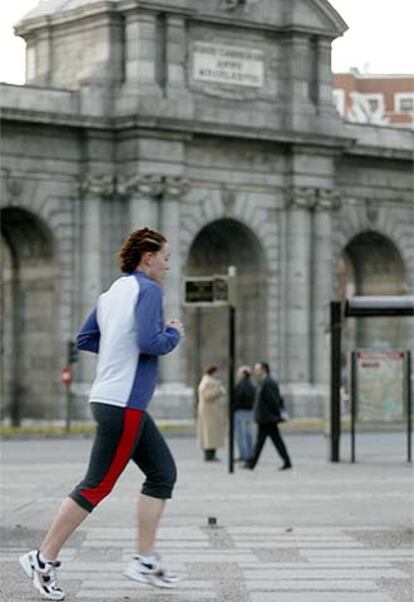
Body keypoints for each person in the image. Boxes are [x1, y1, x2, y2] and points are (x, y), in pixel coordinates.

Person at [19, 227, 185, 600]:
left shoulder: (111, 293)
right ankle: (42, 559)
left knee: (162, 473)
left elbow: (85, 339)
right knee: (97, 485)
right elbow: (149, 341)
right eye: (166, 256)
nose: (168, 264)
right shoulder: (149, 291)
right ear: (148, 257)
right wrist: (173, 333)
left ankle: (144, 559)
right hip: (123, 402)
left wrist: (116, 347)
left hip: (113, 399)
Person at [247, 361, 292, 471]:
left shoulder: (269, 382)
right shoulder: (264, 381)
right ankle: (286, 461)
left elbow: (274, 400)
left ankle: (252, 463)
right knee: (275, 441)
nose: (256, 371)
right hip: (266, 418)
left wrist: (277, 414)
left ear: (264, 369)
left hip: (267, 418)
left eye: (257, 369)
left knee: (261, 442)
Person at [196, 365, 226, 461]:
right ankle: (209, 455)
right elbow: (207, 396)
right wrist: (218, 390)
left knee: (211, 434)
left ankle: (211, 454)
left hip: (210, 412)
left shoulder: (208, 381)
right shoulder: (208, 382)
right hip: (209, 412)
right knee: (209, 434)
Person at [233, 365, 256, 463]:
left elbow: (237, 399)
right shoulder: (251, 384)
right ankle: (250, 454)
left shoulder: (241, 385)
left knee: (241, 435)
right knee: (248, 434)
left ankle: (244, 455)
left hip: (240, 411)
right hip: (249, 411)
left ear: (243, 374)